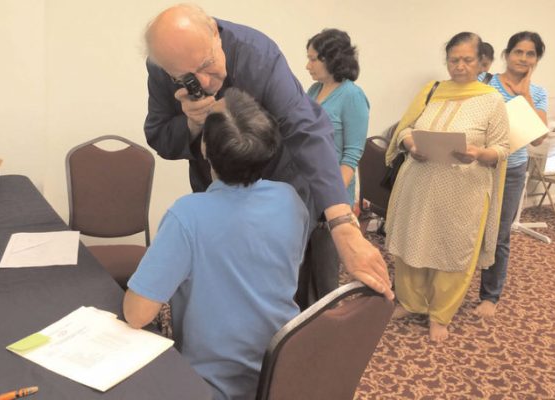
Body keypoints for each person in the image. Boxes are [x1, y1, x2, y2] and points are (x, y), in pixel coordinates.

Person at [142, 4, 393, 308]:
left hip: (280, 186)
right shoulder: (161, 68)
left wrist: (342, 223)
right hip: (216, 194)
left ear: (214, 32)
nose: (205, 83)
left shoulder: (256, 55)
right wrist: (191, 125)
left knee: (287, 289)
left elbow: (307, 130)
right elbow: (160, 137)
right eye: (187, 77)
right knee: (227, 289)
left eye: (208, 64)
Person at [124, 88, 310, 400]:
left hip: (210, 386)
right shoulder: (291, 200)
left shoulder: (188, 216)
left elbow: (137, 314)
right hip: (280, 372)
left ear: (206, 147)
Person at [384, 32, 510, 342]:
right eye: (454, 60)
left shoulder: (491, 100)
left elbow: (502, 147)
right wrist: (411, 142)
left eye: (467, 59)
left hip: (463, 192)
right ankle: (411, 302)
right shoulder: (433, 90)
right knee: (412, 243)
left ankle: (440, 315)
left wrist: (479, 153)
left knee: (452, 251)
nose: (460, 66)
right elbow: (406, 128)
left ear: (480, 61)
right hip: (419, 183)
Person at [474, 31, 548, 319]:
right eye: (519, 52)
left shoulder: (538, 93)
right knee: (467, 229)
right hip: (478, 165)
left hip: (513, 168)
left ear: (537, 59)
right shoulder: (485, 82)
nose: (524, 58)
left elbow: (539, 139)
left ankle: (490, 296)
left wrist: (525, 95)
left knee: (500, 234)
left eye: (531, 54)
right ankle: (448, 290)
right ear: (507, 54)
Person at [301, 28, 370, 302]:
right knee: (303, 262)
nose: (308, 65)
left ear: (333, 59)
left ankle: (326, 323)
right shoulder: (314, 89)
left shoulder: (352, 95)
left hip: (331, 192)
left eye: (313, 59)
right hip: (307, 187)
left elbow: (352, 155)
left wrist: (330, 196)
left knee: (325, 266)